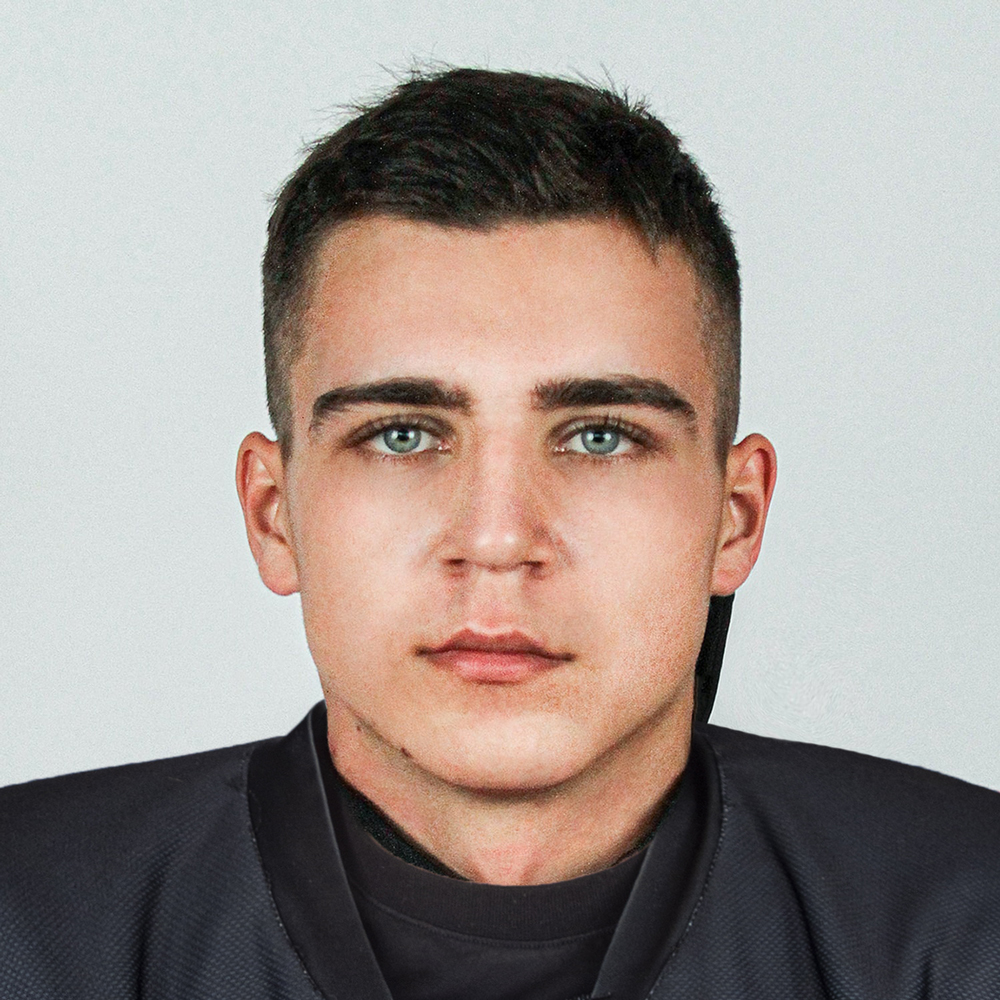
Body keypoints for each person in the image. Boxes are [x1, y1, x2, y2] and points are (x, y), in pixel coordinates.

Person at [1, 67, 997, 1000]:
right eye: (401, 434)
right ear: (274, 514)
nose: (497, 538)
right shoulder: (29, 919)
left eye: (601, 436)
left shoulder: (963, 917)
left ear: (735, 517)